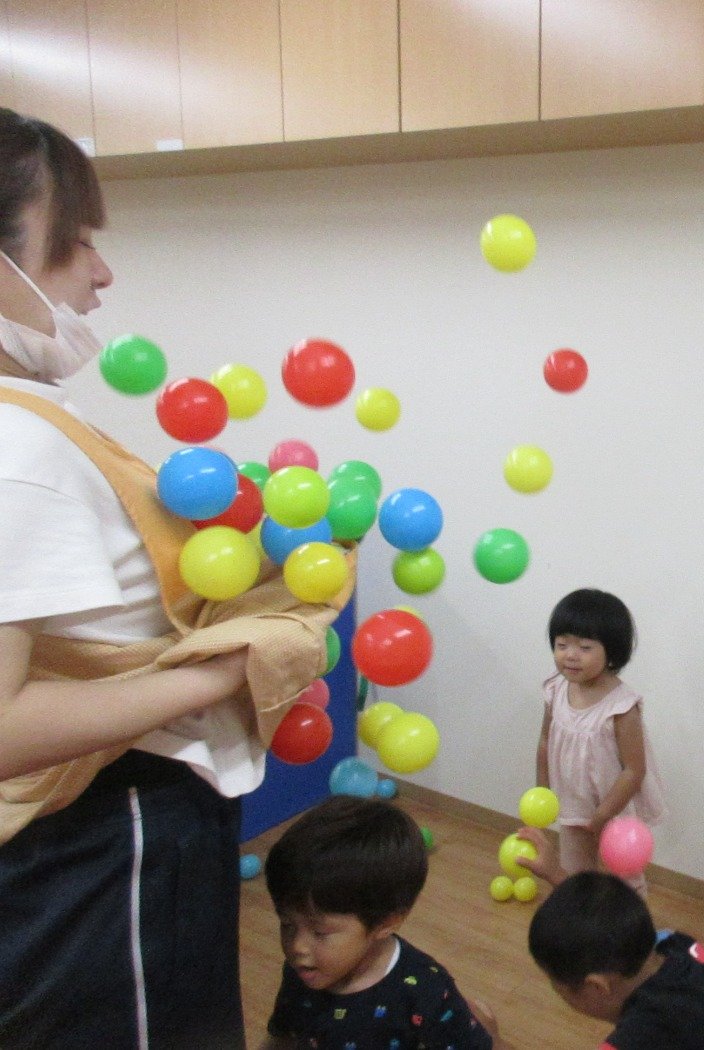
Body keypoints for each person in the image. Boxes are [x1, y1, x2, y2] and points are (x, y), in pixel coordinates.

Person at [0, 108, 341, 1049]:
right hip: (104, 837)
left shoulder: (31, 426)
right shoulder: (18, 448)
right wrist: (227, 669)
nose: (101, 271)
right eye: (75, 239)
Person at [516, 825, 704, 1049]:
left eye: (559, 987)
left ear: (596, 987)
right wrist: (557, 876)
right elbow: (613, 926)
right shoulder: (677, 946)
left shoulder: (643, 1035)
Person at [262, 796, 502, 1050]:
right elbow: (282, 1035)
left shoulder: (425, 990)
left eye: (319, 932)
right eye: (287, 924)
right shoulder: (303, 969)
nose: (296, 946)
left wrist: (493, 1037)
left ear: (385, 923)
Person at [535, 588, 665, 892]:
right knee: (574, 874)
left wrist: (603, 815)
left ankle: (630, 922)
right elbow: (544, 741)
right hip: (572, 805)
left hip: (612, 810)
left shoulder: (621, 707)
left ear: (612, 653)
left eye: (585, 647)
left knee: (623, 879)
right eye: (562, 644)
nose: (570, 655)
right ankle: (582, 920)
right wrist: (541, 793)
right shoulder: (555, 690)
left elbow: (634, 769)